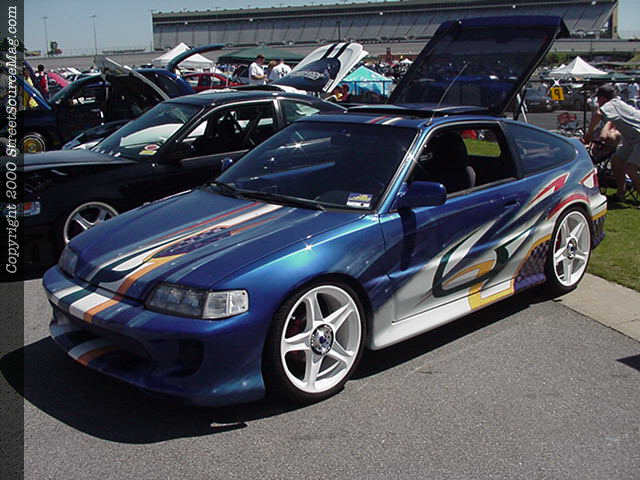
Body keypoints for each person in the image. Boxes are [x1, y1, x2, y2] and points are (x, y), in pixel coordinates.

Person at [584, 83, 640, 202]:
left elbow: (598, 114)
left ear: (603, 98)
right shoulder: (617, 105)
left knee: (631, 169)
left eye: (598, 98)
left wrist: (588, 134)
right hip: (632, 140)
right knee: (616, 161)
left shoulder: (611, 104)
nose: (597, 101)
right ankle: (621, 193)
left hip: (638, 137)